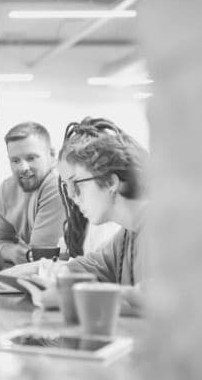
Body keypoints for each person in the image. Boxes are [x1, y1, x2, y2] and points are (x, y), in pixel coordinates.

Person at [56, 117, 149, 314]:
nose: (72, 197)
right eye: (67, 187)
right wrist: (33, 273)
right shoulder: (126, 236)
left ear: (110, 182)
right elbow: (82, 268)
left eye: (77, 184)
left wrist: (66, 297)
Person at [0, 122, 65, 266]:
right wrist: (11, 251)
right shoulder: (7, 189)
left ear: (51, 155)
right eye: (15, 160)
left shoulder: (58, 184)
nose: (23, 167)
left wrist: (12, 251)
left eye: (31, 158)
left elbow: (40, 256)